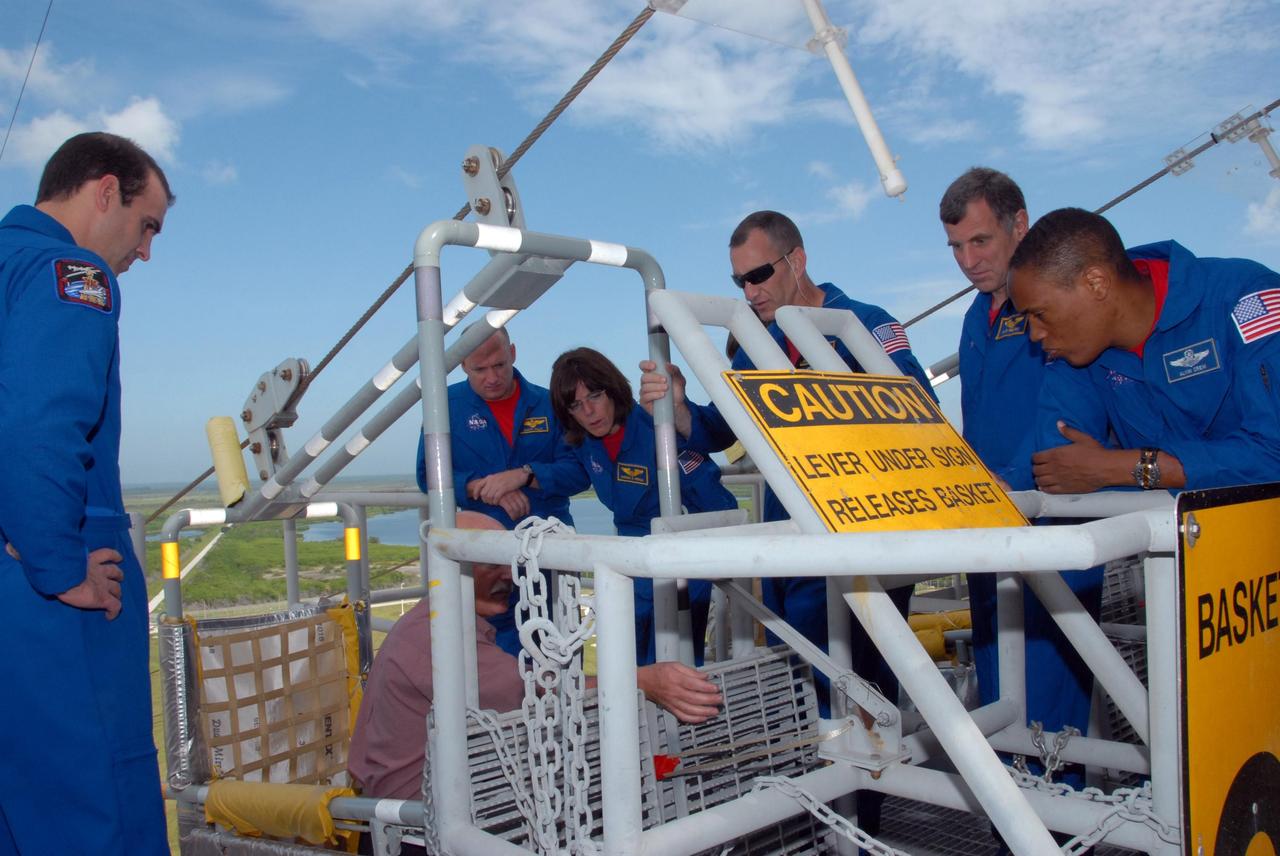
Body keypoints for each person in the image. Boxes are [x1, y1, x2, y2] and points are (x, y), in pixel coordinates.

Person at [639, 210, 934, 712]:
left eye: (759, 275)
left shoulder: (864, 324)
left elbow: (918, 409)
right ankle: (812, 787)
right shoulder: (754, 347)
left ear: (796, 259)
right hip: (787, 535)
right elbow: (723, 431)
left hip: (856, 533)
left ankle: (862, 792)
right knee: (797, 685)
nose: (750, 292)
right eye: (739, 281)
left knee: (865, 693)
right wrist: (682, 407)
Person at [0, 132, 173, 854]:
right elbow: (40, 424)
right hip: (45, 601)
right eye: (147, 225)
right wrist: (58, 562)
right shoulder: (71, 274)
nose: (145, 252)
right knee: (93, 798)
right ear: (105, 191)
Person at [348, 510, 723, 806]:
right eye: (488, 562)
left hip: (438, 797)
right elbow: (537, 690)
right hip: (413, 823)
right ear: (451, 568)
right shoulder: (432, 638)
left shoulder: (447, 622)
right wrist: (645, 681)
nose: (507, 576)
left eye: (506, 562)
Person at [939, 169, 1101, 750]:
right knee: (998, 698)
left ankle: (1060, 830)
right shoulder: (972, 318)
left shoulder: (1061, 308)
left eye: (979, 241)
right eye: (956, 247)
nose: (967, 260)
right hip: (988, 530)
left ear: (1020, 225)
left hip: (1051, 524)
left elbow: (1066, 419)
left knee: (1051, 720)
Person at [1009, 207, 1280, 491]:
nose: (1034, 335)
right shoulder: (1075, 351)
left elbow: (1273, 453)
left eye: (1039, 314)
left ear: (1096, 283)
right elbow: (1064, 470)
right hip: (1169, 532)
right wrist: (1107, 471)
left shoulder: (1246, 300)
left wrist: (1122, 468)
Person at [524, 347, 739, 665]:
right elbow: (571, 474)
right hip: (633, 560)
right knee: (628, 657)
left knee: (674, 659)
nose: (589, 413)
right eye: (576, 406)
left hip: (686, 553)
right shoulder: (586, 444)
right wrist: (524, 476)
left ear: (612, 390)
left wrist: (678, 411)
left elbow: (709, 486)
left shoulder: (657, 426)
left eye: (594, 397)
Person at [417, 327, 581, 655]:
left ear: (514, 354)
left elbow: (578, 472)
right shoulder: (444, 405)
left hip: (548, 549)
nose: (491, 377)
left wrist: (525, 475)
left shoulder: (549, 403)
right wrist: (478, 487)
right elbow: (428, 475)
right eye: (480, 369)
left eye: (499, 365)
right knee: (485, 653)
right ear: (462, 364)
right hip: (482, 559)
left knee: (558, 644)